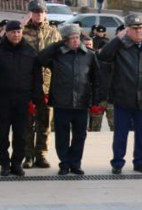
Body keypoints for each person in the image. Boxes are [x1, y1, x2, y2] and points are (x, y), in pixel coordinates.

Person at [98, 13, 142, 174]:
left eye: (141, 27)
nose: (139, 31)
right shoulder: (120, 46)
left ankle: (140, 162)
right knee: (121, 134)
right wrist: (117, 39)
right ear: (127, 30)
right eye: (135, 28)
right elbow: (103, 56)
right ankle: (118, 163)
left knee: (141, 134)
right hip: (123, 98)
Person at [38, 24, 99, 175]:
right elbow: (41, 58)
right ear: (65, 41)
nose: (75, 41)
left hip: (82, 103)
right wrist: (58, 44)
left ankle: (76, 163)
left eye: (77, 38)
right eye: (71, 39)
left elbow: (97, 79)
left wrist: (95, 101)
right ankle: (64, 163)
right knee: (62, 136)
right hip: (62, 103)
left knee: (80, 136)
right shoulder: (58, 55)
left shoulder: (89, 55)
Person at [0, 20, 43, 177]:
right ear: (7, 33)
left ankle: (17, 162)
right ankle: (4, 163)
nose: (16, 35)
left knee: (21, 134)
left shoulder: (30, 51)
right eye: (12, 32)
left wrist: (36, 99)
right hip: (2, 98)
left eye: (18, 32)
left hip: (23, 99)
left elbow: (37, 78)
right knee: (2, 134)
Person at [20, 0, 61, 169]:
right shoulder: (22, 31)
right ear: (29, 13)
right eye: (35, 12)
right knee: (27, 122)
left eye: (41, 12)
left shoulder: (53, 33)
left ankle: (41, 154)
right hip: (27, 82)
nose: (38, 15)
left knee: (45, 121)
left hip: (47, 82)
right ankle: (28, 155)